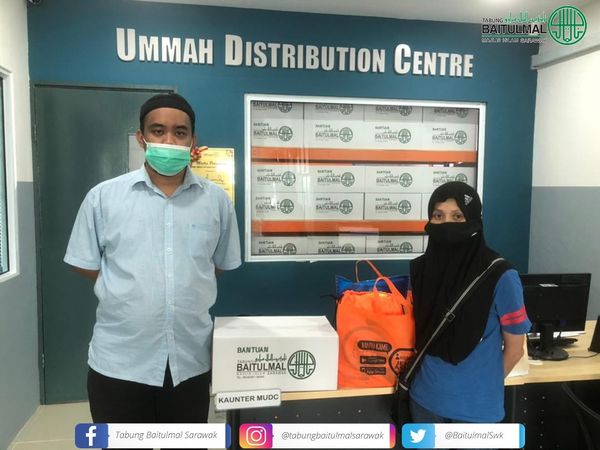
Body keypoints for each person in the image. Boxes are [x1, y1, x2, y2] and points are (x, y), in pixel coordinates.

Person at [64, 93, 241, 444]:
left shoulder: (216, 201)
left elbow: (217, 265)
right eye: (158, 131)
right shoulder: (103, 198)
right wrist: (129, 290)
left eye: (180, 132)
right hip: (119, 363)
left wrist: (181, 284)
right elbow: (86, 264)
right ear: (141, 137)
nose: (169, 141)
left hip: (189, 364)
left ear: (193, 140)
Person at [409, 181, 531, 425]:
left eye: (458, 216)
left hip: (477, 412)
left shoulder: (501, 276)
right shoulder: (420, 269)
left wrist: (481, 389)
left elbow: (516, 349)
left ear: (474, 220)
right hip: (424, 402)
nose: (447, 224)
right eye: (438, 216)